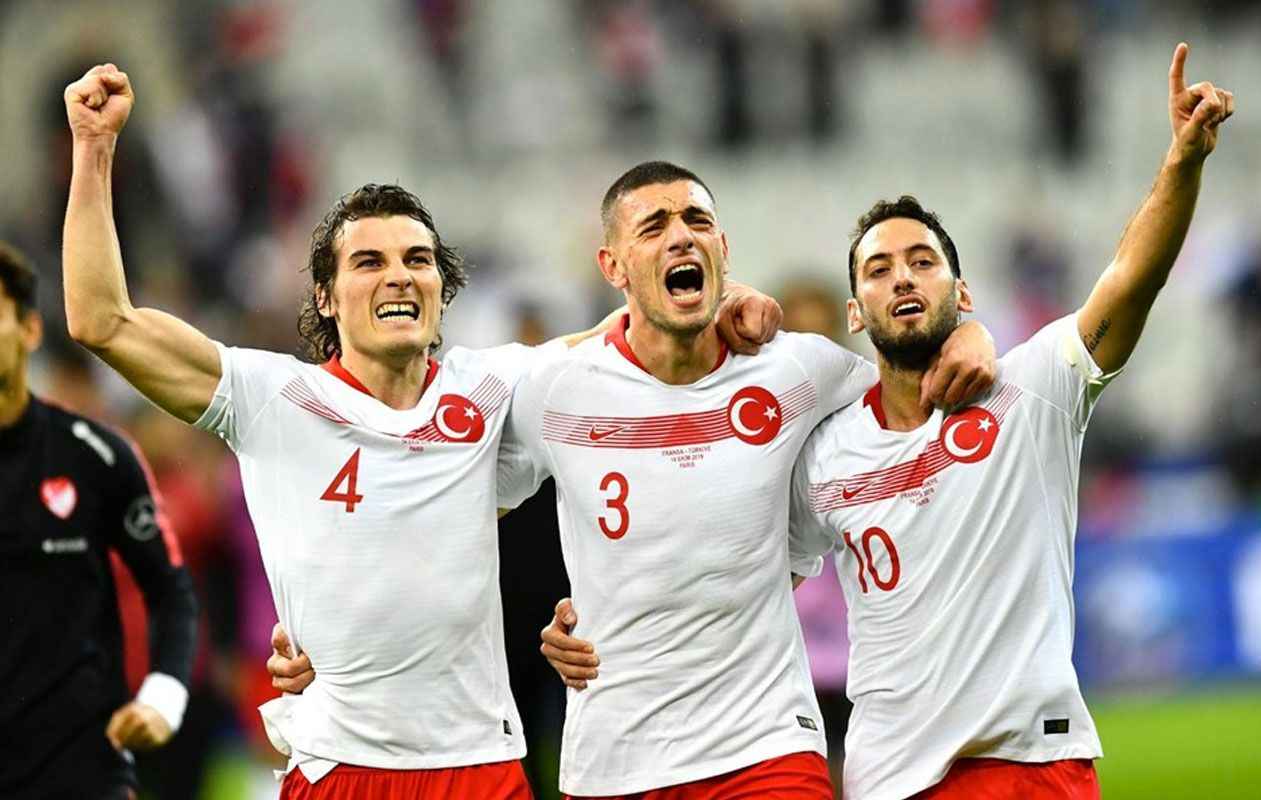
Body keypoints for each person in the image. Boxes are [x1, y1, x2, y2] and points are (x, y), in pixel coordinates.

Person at [61, 65, 777, 800]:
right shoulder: (272, 398)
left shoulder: (491, 387)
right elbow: (101, 320)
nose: (400, 276)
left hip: (479, 766)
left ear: (442, 289)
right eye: (369, 262)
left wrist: (727, 302)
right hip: (339, 767)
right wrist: (94, 148)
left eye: (419, 261)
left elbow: (635, 332)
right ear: (325, 296)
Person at [784, 43, 1232, 800]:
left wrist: (1182, 163)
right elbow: (741, 573)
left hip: (1029, 765)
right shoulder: (825, 454)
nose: (902, 275)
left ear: (963, 295)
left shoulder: (1032, 390)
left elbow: (1131, 279)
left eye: (923, 260)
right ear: (856, 312)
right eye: (879, 268)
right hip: (886, 778)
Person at [509, 161, 997, 798]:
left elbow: (912, 384)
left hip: (766, 748)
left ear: (723, 247)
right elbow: (452, 491)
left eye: (697, 221)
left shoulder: (799, 371)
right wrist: (545, 615)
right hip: (614, 756)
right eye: (654, 227)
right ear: (613, 266)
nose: (681, 236)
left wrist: (972, 336)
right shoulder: (555, 389)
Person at [0, 241, 196, 800]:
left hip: (82, 769)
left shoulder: (94, 456)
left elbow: (171, 591)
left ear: (30, 330)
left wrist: (163, 697)